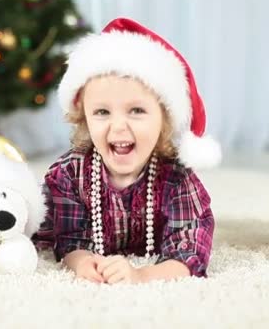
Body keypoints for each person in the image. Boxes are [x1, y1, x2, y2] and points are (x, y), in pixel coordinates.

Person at [32, 17, 221, 284]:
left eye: (136, 110)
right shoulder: (70, 174)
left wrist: (141, 275)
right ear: (84, 118)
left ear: (164, 119)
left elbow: (189, 254)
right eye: (102, 112)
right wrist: (83, 262)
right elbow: (69, 240)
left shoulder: (178, 178)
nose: (118, 126)